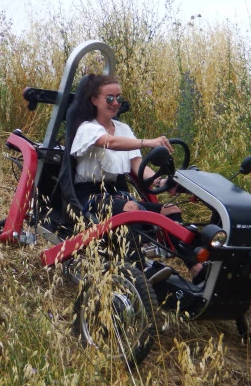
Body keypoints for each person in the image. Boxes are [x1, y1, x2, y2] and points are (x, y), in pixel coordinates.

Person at [69, 74, 205, 283]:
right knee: (130, 208)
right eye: (109, 98)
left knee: (171, 210)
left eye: (118, 98)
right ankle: (138, 269)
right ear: (94, 100)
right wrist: (147, 142)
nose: (115, 103)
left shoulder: (123, 129)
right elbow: (110, 143)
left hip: (117, 195)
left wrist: (161, 182)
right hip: (89, 196)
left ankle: (197, 269)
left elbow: (137, 167)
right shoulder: (87, 128)